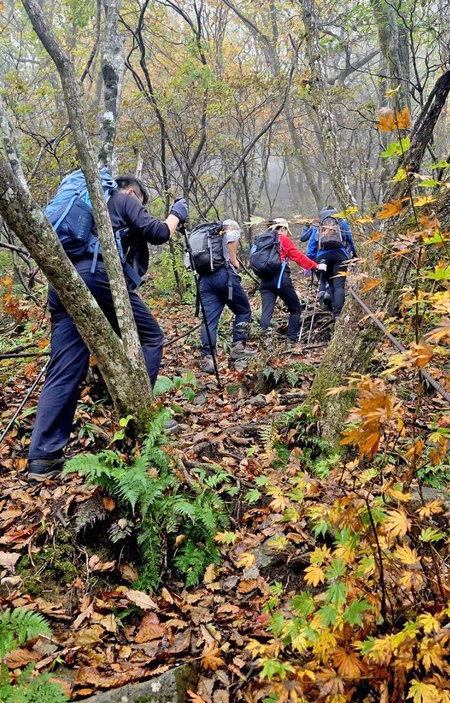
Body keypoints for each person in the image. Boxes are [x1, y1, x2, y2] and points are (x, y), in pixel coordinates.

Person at [27, 176, 188, 482]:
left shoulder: (89, 209)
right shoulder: (123, 198)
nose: (139, 206)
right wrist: (177, 213)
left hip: (62, 282)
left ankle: (43, 457)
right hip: (96, 277)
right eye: (141, 201)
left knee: (65, 367)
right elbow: (158, 232)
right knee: (151, 336)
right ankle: (141, 413)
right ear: (132, 192)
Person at [198, 219, 253, 374]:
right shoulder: (230, 230)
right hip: (224, 276)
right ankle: (238, 349)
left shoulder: (205, 239)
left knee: (209, 320)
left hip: (205, 281)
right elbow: (231, 237)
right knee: (243, 311)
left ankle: (208, 358)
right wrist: (234, 260)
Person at [258, 218, 325, 342]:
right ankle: (291, 340)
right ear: (282, 228)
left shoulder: (261, 240)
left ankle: (263, 340)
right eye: (286, 230)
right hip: (281, 280)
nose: (287, 233)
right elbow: (297, 256)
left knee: (266, 311)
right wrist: (315, 266)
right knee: (295, 309)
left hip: (265, 281)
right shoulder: (282, 239)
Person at [305, 206, 356, 322]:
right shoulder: (341, 222)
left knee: (330, 284)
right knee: (339, 286)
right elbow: (349, 239)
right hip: (340, 255)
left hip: (323, 257)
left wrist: (309, 262)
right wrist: (354, 254)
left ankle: (331, 306)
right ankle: (337, 314)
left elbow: (312, 245)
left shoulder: (318, 225)